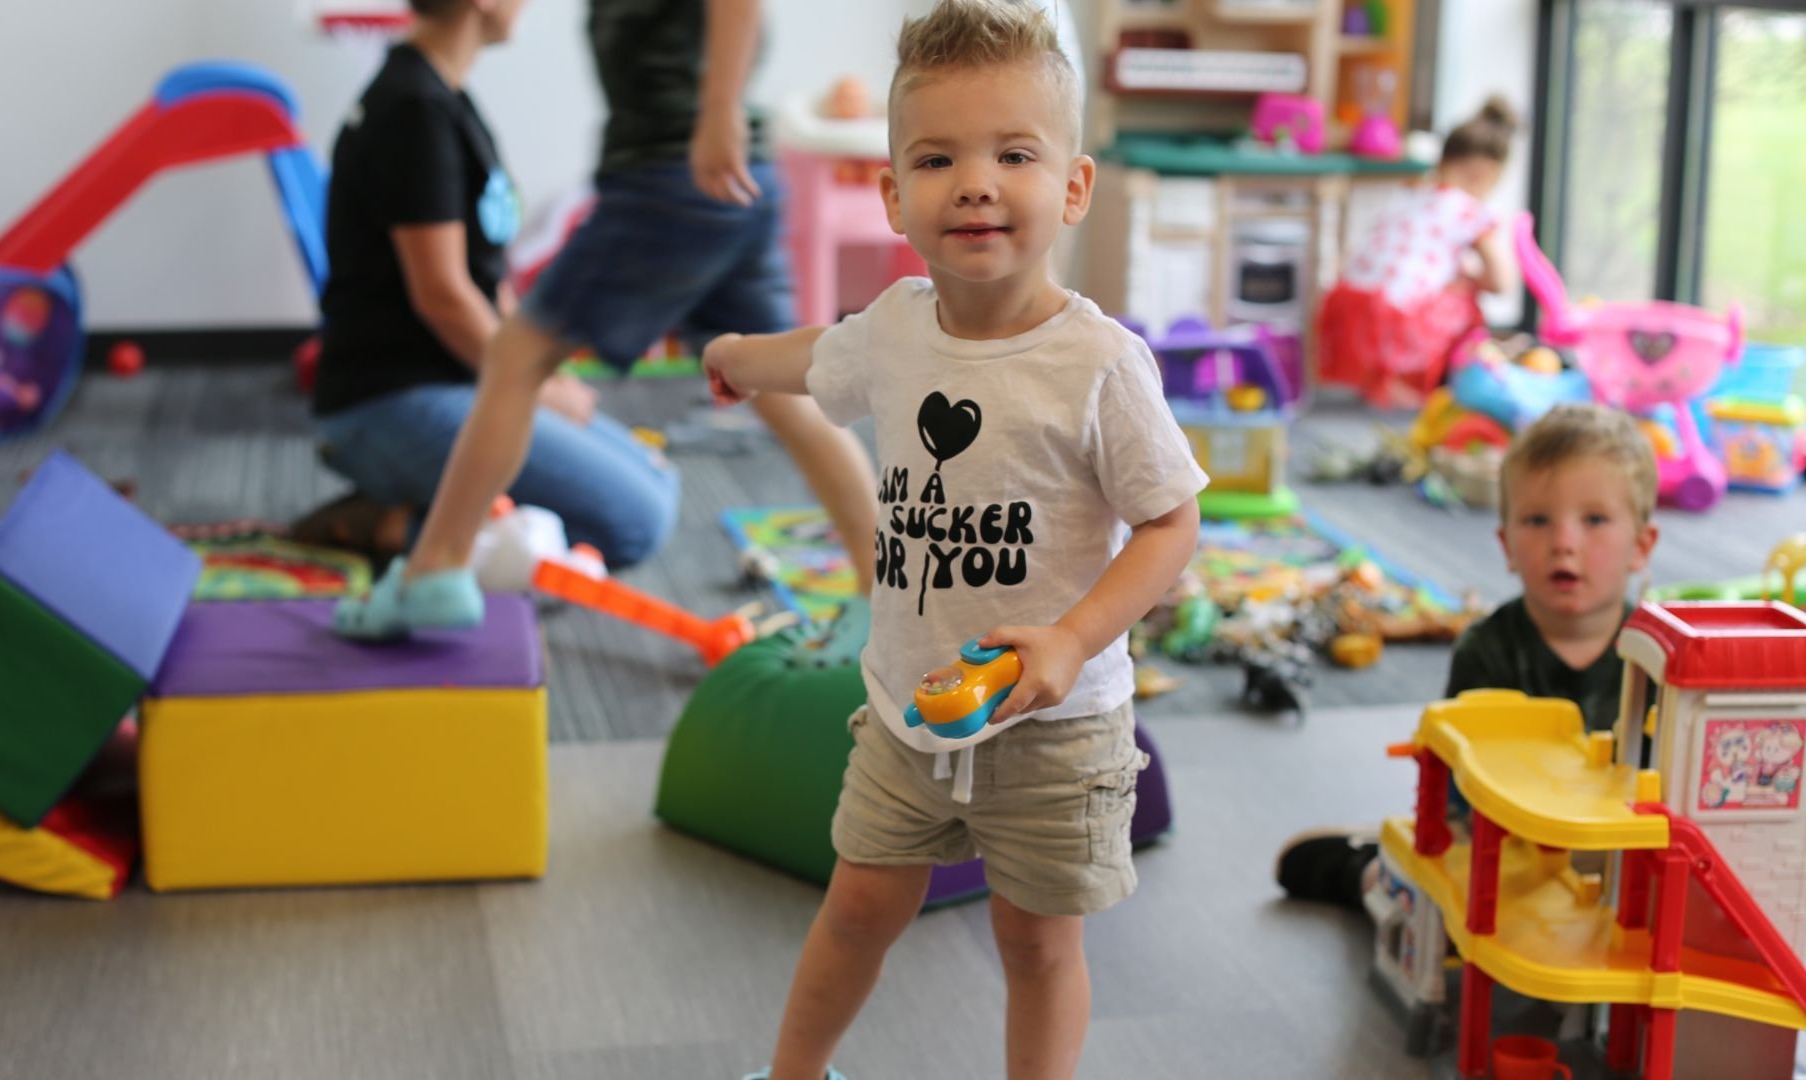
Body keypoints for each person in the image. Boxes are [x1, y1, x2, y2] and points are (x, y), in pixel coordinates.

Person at [701, 3, 1208, 1077]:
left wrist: (1072, 638)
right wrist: (741, 356)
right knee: (855, 912)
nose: (975, 182)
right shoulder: (893, 329)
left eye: (1014, 154)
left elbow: (1171, 523)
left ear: (1072, 186)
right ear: (895, 196)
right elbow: (823, 357)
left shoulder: (1102, 366)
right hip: (906, 704)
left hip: (1058, 724)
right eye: (937, 159)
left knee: (1035, 942)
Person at [330, 0, 881, 637]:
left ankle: (436, 566)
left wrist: (718, 108)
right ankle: (883, 593)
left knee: (516, 356)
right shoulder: (418, 102)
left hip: (673, 174)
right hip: (726, 175)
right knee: (790, 397)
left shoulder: (424, 103)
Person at [306, 0, 680, 571]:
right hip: (391, 401)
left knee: (659, 478)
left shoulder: (443, 96)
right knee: (635, 524)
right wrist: (535, 390)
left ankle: (431, 503)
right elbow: (445, 297)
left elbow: (486, 279)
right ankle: (393, 524)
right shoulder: (412, 109)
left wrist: (543, 373)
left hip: (454, 381)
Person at [1277, 402, 1660, 909]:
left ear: (1641, 545)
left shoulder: (1660, 661)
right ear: (1505, 545)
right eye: (1538, 520)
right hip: (1503, 852)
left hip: (1615, 859)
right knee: (1427, 901)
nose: (1564, 543)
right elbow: (1464, 792)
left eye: (1594, 520)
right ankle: (1365, 866)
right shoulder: (1487, 649)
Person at [1317, 95, 1522, 409]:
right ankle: (1423, 383)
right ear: (1486, 173)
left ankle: (1378, 379)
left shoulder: (1409, 192)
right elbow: (1501, 283)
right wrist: (1470, 278)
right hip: (1396, 317)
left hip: (1346, 303)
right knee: (1464, 294)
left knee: (1436, 281)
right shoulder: (1468, 209)